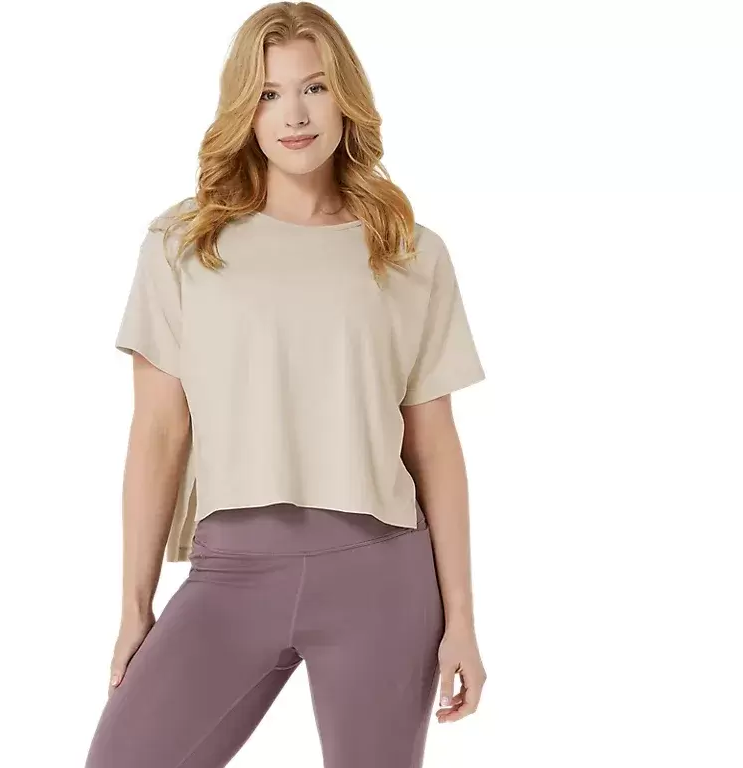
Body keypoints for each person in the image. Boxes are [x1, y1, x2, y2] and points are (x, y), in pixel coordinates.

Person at [84, 3, 488, 766]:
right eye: (268, 94)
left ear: (346, 98)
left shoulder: (408, 251)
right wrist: (135, 607)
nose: (294, 115)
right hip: (231, 573)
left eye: (315, 88)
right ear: (244, 108)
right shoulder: (185, 244)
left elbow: (433, 441)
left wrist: (461, 618)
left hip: (381, 575)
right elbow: (158, 434)